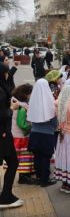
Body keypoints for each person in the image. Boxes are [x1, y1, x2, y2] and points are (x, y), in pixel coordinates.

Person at [0, 63, 23, 208]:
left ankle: (6, 195)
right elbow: (2, 115)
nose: (8, 75)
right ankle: (6, 196)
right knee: (13, 163)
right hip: (2, 133)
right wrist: (11, 108)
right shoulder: (0, 92)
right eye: (7, 73)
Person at [27, 79, 58, 187]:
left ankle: (39, 177)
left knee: (37, 156)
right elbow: (54, 122)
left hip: (34, 134)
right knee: (45, 157)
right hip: (47, 134)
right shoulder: (50, 101)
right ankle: (45, 180)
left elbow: (30, 118)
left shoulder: (32, 101)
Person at [11, 84, 36, 184]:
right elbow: (22, 123)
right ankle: (23, 176)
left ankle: (24, 175)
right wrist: (30, 127)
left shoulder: (15, 102)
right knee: (24, 157)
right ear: (25, 94)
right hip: (21, 136)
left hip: (15, 134)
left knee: (20, 157)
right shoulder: (22, 107)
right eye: (30, 94)